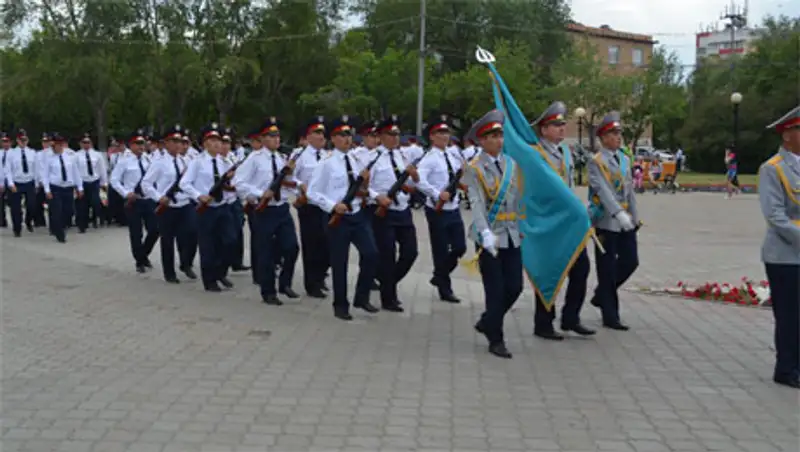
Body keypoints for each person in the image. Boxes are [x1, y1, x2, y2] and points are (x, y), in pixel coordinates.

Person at [530, 101, 595, 339]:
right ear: (543, 129)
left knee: (581, 269)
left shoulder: (566, 152)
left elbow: (568, 185)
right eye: (555, 124)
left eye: (562, 124)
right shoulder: (535, 155)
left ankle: (571, 317)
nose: (561, 128)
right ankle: (543, 323)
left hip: (569, 223)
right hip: (548, 222)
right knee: (548, 273)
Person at [307, 115, 379, 321]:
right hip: (337, 218)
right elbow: (312, 193)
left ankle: (362, 297)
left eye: (349, 135)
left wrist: (368, 187)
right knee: (340, 262)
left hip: (357, 214)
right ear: (333, 138)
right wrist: (332, 206)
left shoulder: (355, 160)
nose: (347, 139)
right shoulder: (326, 163)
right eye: (342, 135)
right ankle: (340, 305)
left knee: (372, 254)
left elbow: (361, 189)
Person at [465, 109, 523, 358]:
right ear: (482, 140)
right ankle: (496, 338)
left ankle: (488, 320)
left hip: (512, 234)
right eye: (493, 136)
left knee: (515, 287)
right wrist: (485, 233)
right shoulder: (474, 168)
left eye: (500, 135)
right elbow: (476, 203)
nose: (499, 140)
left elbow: (518, 198)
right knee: (495, 290)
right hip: (489, 237)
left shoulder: (511, 164)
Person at [233, 117, 301, 305]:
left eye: (278, 135)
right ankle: (268, 291)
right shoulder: (254, 159)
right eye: (271, 136)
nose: (276, 139)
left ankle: (285, 283)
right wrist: (259, 194)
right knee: (266, 252)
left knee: (292, 247)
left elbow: (286, 184)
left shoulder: (281, 159)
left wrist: (298, 189)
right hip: (264, 211)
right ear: (262, 139)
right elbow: (238, 182)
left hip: (281, 208)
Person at [758, 105, 800, 389]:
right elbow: (775, 216)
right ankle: (786, 368)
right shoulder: (772, 169)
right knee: (789, 314)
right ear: (787, 135)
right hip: (784, 254)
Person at [587, 112, 639, 331]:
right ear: (603, 137)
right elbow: (604, 191)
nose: (618, 137)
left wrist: (634, 217)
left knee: (630, 261)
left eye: (619, 133)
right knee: (606, 268)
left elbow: (629, 191)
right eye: (614, 133)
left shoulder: (625, 159)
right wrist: (618, 213)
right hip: (606, 220)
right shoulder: (596, 161)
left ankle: (601, 294)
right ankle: (611, 314)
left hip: (625, 220)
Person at [368, 115, 420, 313]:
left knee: (411, 253)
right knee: (387, 255)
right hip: (384, 212)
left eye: (397, 134)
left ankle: (386, 281)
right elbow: (364, 187)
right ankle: (388, 297)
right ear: (380, 136)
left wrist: (415, 178)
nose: (395, 138)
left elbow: (411, 186)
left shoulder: (403, 156)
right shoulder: (372, 158)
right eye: (391, 134)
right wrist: (377, 197)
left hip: (403, 210)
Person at [179, 122, 237, 292]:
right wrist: (199, 195)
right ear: (204, 143)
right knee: (208, 245)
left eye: (219, 140)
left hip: (223, 206)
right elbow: (184, 183)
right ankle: (209, 280)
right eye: (212, 140)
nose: (217, 144)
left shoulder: (224, 162)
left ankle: (220, 271)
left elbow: (230, 185)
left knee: (230, 241)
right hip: (206, 209)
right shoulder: (197, 162)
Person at [417, 114, 467, 303]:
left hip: (453, 207)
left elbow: (456, 177)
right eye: (440, 133)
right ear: (431, 136)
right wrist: (437, 193)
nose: (444, 136)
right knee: (440, 250)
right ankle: (445, 289)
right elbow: (419, 181)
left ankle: (439, 275)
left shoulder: (453, 155)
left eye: (446, 132)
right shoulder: (429, 158)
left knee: (460, 247)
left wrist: (462, 184)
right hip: (437, 209)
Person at [141, 124, 198, 283]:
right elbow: (146, 184)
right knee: (167, 240)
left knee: (191, 234)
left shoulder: (185, 161)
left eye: (180, 141)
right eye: (174, 141)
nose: (178, 144)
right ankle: (169, 272)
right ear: (166, 143)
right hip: (167, 206)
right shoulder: (158, 162)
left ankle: (186, 264)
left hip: (185, 203)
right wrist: (159, 198)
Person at [110, 129, 160, 272]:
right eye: (137, 143)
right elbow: (114, 180)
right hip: (134, 200)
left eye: (142, 143)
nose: (141, 146)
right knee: (136, 232)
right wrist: (126, 193)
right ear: (130, 145)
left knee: (155, 229)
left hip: (148, 199)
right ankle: (139, 261)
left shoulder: (149, 159)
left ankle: (143, 254)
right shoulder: (124, 161)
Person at [293, 117, 331, 298]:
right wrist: (300, 185)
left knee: (327, 244)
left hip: (325, 205)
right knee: (311, 245)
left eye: (322, 133)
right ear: (308, 137)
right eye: (317, 133)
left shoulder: (327, 156)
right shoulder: (299, 156)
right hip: (308, 205)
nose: (321, 137)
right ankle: (312, 283)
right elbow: (289, 177)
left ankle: (321, 275)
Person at [40, 133, 84, 243]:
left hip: (68, 187)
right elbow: (45, 175)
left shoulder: (70, 157)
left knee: (69, 211)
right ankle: (60, 234)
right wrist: (47, 190)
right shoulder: (49, 159)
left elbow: (75, 172)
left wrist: (80, 187)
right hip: (56, 188)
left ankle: (62, 226)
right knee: (56, 211)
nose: (58, 147)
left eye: (60, 145)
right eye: (55, 145)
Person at [5, 129, 38, 237]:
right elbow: (8, 170)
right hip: (16, 182)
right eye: (21, 140)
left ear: (27, 140)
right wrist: (10, 184)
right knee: (15, 208)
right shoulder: (11, 153)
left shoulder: (32, 153)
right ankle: (17, 228)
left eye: (24, 139)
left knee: (32, 205)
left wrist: (37, 183)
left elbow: (36, 169)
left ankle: (28, 220)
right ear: (17, 141)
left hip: (29, 182)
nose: (23, 142)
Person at [74, 132, 108, 233]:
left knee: (96, 202)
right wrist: (77, 185)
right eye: (84, 142)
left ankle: (96, 219)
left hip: (94, 181)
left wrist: (104, 182)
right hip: (82, 182)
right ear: (80, 144)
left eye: (88, 142)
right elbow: (75, 171)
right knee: (82, 205)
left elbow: (102, 169)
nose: (86, 144)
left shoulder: (97, 155)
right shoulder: (76, 156)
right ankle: (82, 225)